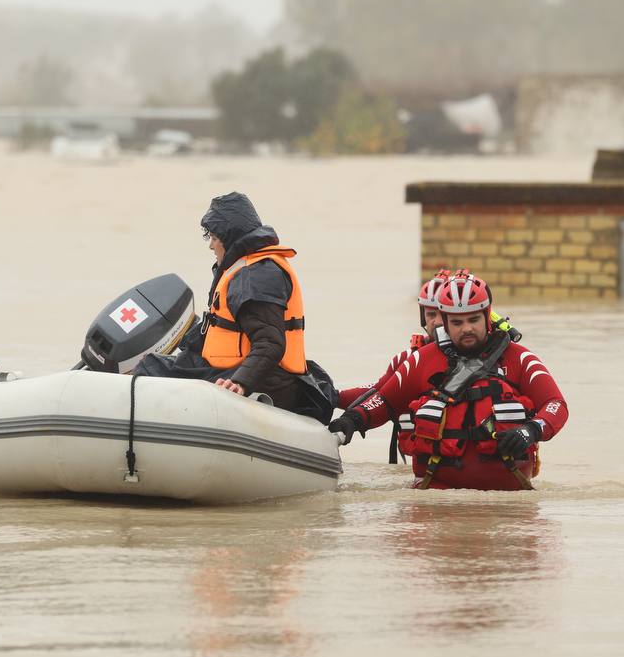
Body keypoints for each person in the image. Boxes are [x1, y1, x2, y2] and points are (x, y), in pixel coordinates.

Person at [328, 272, 567, 490]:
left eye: (474, 319)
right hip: (435, 495)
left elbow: (556, 405)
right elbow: (384, 401)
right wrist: (352, 421)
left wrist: (530, 430)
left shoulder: (520, 358)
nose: (466, 329)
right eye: (457, 322)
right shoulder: (421, 360)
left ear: (487, 315)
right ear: (445, 320)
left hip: (510, 497)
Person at [134, 192, 335, 422]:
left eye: (213, 237)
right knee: (166, 363)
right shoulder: (248, 267)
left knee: (150, 368)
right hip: (256, 372)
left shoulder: (254, 276)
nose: (210, 245)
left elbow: (270, 343)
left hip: (265, 380)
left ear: (228, 236)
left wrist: (241, 381)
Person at [337, 267, 521, 462]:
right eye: (430, 315)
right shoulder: (414, 359)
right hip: (433, 470)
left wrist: (531, 430)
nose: (437, 322)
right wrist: (344, 408)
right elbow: (380, 395)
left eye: (441, 315)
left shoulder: (512, 356)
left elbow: (554, 403)